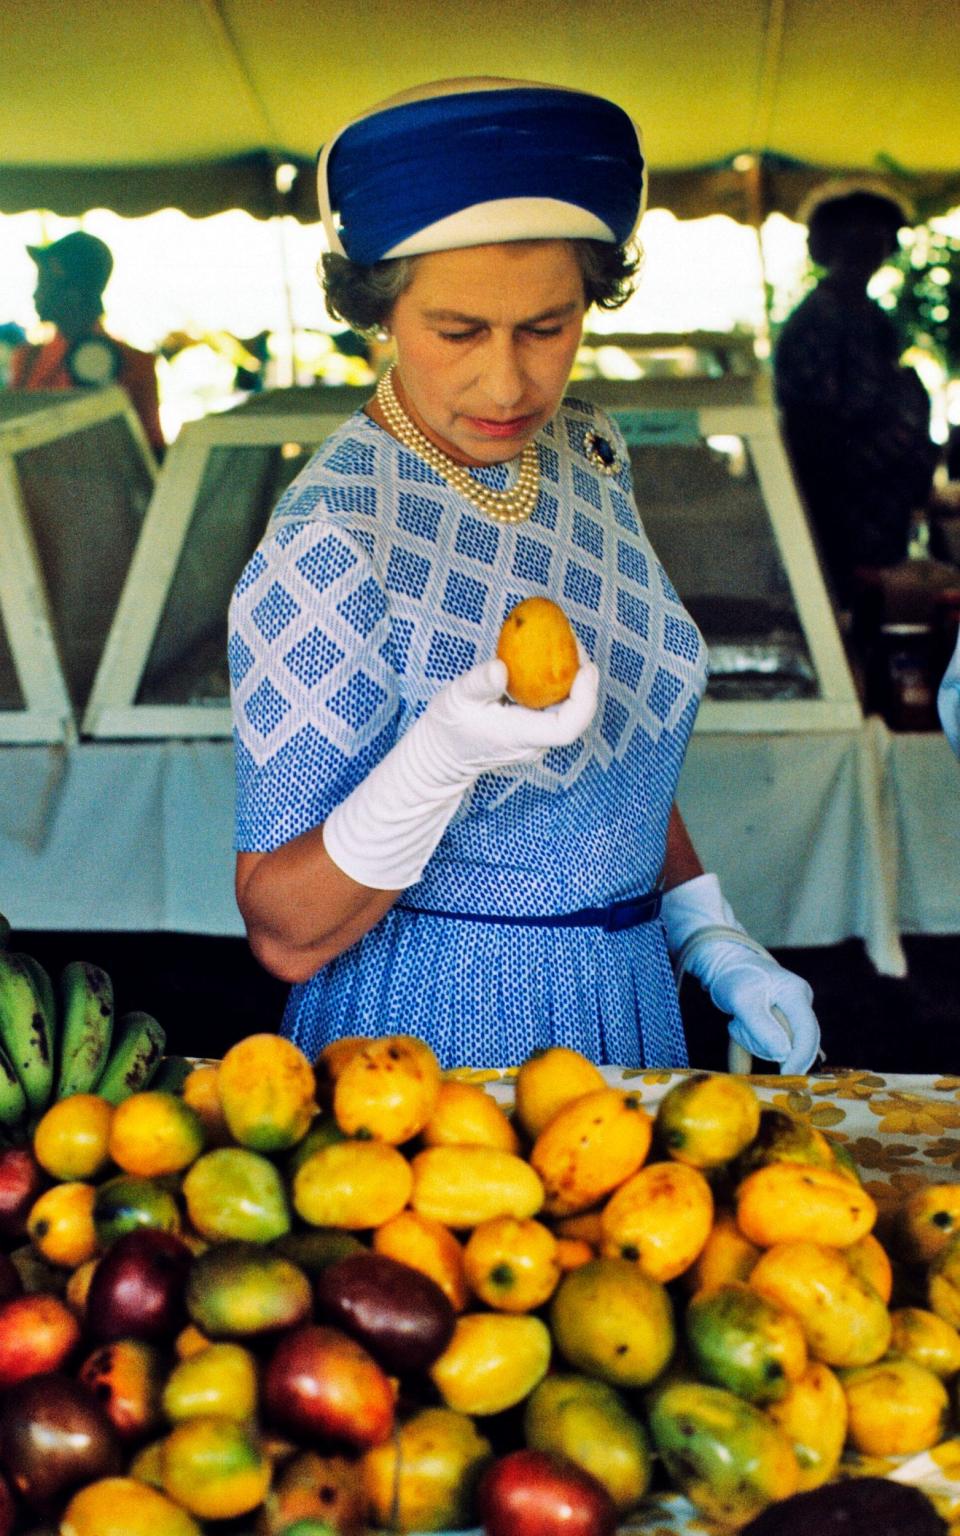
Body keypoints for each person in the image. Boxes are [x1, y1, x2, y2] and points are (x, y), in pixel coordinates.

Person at [228, 78, 820, 1075]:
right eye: (458, 332)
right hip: (437, 1028)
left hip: (627, 993)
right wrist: (439, 760)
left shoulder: (585, 451)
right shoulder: (332, 533)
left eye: (548, 327)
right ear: (378, 309)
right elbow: (283, 927)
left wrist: (705, 929)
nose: (508, 384)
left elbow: (607, 741)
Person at [773, 182, 938, 608]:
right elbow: (815, 432)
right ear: (830, 243)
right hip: (843, 517)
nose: (872, 244)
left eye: (880, 234)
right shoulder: (816, 322)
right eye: (857, 233)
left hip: (883, 514)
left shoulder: (873, 318)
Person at [9, 231, 165, 458]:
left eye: (44, 283)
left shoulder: (136, 366)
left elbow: (152, 451)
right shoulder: (26, 360)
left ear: (73, 293)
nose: (35, 294)